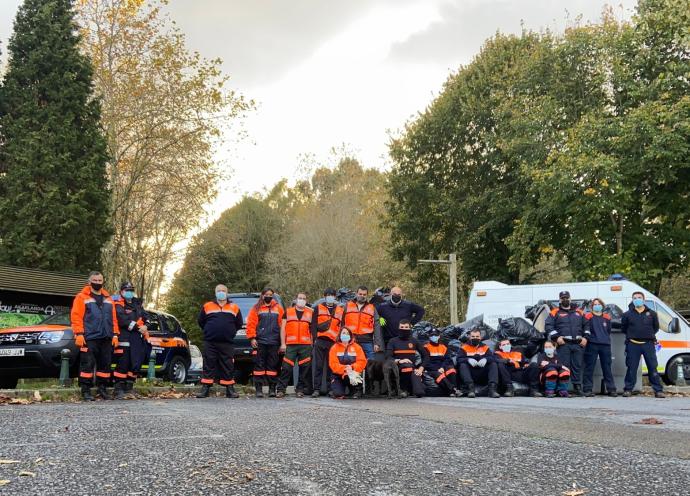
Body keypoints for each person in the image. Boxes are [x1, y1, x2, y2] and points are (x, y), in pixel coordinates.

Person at [70, 271, 119, 401]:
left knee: (105, 365)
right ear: (89, 281)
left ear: (103, 281)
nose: (97, 283)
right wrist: (79, 334)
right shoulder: (81, 297)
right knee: (87, 364)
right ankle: (85, 391)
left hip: (107, 337)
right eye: (95, 280)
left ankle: (102, 389)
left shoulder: (108, 299)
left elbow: (113, 319)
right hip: (89, 337)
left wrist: (115, 334)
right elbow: (76, 317)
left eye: (99, 280)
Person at [196, 284, 243, 399]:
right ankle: (205, 389)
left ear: (227, 293)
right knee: (208, 364)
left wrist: (229, 332)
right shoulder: (207, 306)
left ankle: (230, 390)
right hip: (210, 342)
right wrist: (210, 331)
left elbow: (239, 323)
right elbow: (201, 321)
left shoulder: (234, 307)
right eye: (219, 291)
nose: (221, 292)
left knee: (228, 365)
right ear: (215, 292)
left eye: (223, 291)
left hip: (227, 342)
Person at [545, 291, 589, 396]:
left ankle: (577, 388)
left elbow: (587, 325)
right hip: (563, 344)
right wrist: (556, 337)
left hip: (578, 344)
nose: (565, 299)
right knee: (564, 366)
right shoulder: (555, 312)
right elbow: (548, 326)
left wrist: (586, 338)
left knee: (577, 366)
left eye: (567, 298)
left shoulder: (579, 312)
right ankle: (562, 389)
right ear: (559, 300)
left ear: (570, 299)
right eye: (563, 298)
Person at [622, 291, 665, 398]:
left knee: (652, 367)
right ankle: (628, 389)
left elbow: (655, 328)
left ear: (644, 300)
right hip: (633, 344)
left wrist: (647, 335)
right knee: (631, 367)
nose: (637, 299)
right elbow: (624, 328)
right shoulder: (627, 314)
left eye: (639, 297)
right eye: (635, 298)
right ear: (632, 300)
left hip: (648, 344)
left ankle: (658, 390)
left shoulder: (652, 313)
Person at [112, 281, 149, 400]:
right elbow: (122, 320)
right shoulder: (118, 303)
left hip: (137, 339)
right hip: (124, 338)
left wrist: (146, 326)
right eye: (127, 290)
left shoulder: (137, 303)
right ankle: (118, 389)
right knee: (123, 364)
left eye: (131, 290)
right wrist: (138, 327)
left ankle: (129, 388)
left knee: (135, 364)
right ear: (121, 292)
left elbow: (145, 316)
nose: (129, 292)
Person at [246, 288, 284, 398]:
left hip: (274, 341)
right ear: (262, 295)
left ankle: (272, 389)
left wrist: (282, 342)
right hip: (260, 341)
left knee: (273, 366)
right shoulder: (256, 308)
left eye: (270, 294)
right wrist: (252, 338)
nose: (268, 296)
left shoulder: (278, 308)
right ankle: (259, 389)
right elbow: (251, 324)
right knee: (259, 366)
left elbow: (283, 326)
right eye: (266, 294)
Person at [277, 292, 313, 398]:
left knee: (304, 369)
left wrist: (311, 343)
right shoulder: (287, 312)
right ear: (296, 299)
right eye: (300, 298)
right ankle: (281, 389)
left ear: (306, 301)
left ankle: (300, 389)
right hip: (291, 345)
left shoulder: (310, 313)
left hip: (305, 345)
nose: (301, 300)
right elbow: (283, 329)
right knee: (286, 368)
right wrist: (283, 343)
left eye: (304, 298)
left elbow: (312, 330)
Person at [311, 288, 343, 398]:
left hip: (333, 343)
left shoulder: (340, 310)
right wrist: (314, 339)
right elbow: (313, 325)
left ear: (335, 297)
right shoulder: (318, 308)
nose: (330, 296)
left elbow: (341, 326)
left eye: (332, 295)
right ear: (324, 296)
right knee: (318, 366)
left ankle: (330, 389)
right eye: (328, 295)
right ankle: (316, 389)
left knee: (331, 367)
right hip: (320, 341)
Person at [582, 298, 617, 397]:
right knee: (589, 367)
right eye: (595, 304)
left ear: (602, 305)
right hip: (592, 344)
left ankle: (611, 389)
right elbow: (586, 329)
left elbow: (608, 330)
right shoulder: (588, 316)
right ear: (592, 306)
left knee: (607, 368)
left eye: (599, 304)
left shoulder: (607, 317)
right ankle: (587, 389)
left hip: (605, 345)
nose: (597, 306)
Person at [386, 319, 426, 398]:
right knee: (407, 366)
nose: (404, 329)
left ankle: (410, 390)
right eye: (402, 327)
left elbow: (426, 356)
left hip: (413, 369)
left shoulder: (414, 341)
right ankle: (403, 389)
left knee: (420, 392)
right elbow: (388, 357)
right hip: (397, 368)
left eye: (406, 327)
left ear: (410, 328)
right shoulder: (393, 341)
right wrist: (400, 361)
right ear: (398, 328)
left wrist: (421, 368)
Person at [342, 286, 384, 359]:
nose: (362, 296)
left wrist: (377, 343)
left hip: (367, 341)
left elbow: (377, 326)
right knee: (351, 363)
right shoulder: (347, 305)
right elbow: (341, 323)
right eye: (360, 294)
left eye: (364, 295)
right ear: (356, 294)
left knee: (370, 364)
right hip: (351, 340)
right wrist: (341, 338)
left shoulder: (372, 308)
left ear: (367, 295)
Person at [457, 329, 499, 398]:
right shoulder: (464, 347)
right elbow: (458, 359)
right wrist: (468, 359)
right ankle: (470, 389)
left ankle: (492, 390)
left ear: (480, 337)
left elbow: (492, 358)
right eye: (473, 336)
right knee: (462, 365)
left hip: (482, 372)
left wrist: (486, 359)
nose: (475, 338)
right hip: (470, 374)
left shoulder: (485, 347)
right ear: (469, 337)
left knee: (493, 364)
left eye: (477, 336)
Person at [329, 328, 367, 399]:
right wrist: (345, 369)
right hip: (338, 375)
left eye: (347, 333)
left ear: (350, 336)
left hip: (353, 374)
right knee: (338, 394)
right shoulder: (334, 348)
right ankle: (337, 390)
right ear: (340, 335)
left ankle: (356, 390)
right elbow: (333, 364)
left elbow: (362, 361)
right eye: (343, 333)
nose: (345, 335)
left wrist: (352, 367)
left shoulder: (357, 347)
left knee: (355, 392)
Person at [422, 328, 461, 397]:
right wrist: (438, 369)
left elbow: (447, 359)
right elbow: (426, 363)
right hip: (432, 370)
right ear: (429, 336)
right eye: (432, 335)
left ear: (439, 336)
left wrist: (442, 367)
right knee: (439, 375)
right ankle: (453, 390)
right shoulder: (426, 347)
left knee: (452, 370)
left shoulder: (443, 347)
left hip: (442, 367)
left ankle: (452, 391)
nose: (434, 336)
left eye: (436, 335)